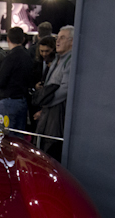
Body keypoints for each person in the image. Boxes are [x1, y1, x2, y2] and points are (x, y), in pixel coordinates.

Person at [34, 25, 74, 160]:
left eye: (62, 38)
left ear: (72, 41)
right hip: (47, 116)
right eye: (58, 37)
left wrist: (47, 101)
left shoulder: (70, 61)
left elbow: (65, 89)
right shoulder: (57, 60)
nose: (58, 41)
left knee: (51, 154)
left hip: (57, 119)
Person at [0, 27, 33, 132]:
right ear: (23, 39)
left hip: (8, 102)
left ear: (8, 39)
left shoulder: (10, 58)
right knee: (18, 138)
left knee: (5, 137)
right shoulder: (28, 56)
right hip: (22, 101)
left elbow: (1, 81)